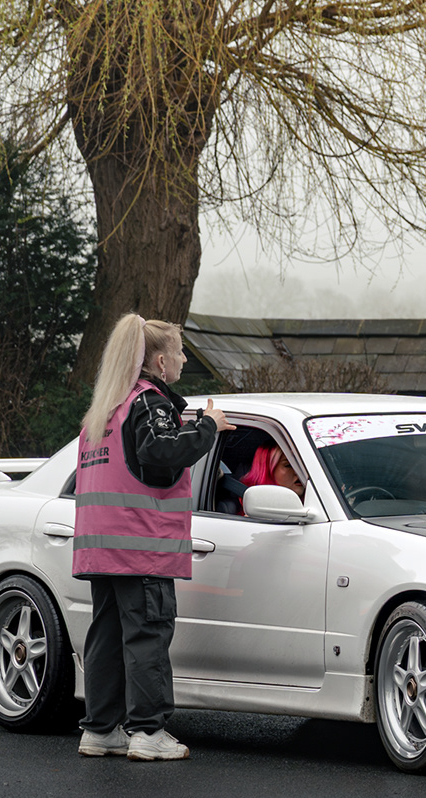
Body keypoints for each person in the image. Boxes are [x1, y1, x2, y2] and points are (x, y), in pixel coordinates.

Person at [72, 314, 234, 760]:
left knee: (107, 636)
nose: (184, 360)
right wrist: (207, 426)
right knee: (148, 636)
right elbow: (160, 453)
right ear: (161, 362)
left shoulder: (107, 409)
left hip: (101, 546)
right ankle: (147, 731)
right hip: (141, 546)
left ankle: (101, 729)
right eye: (180, 353)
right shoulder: (150, 403)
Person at [241, 444, 307, 504]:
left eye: (302, 465)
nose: (298, 472)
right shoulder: (254, 511)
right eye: (288, 465)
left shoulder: (310, 504)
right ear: (268, 471)